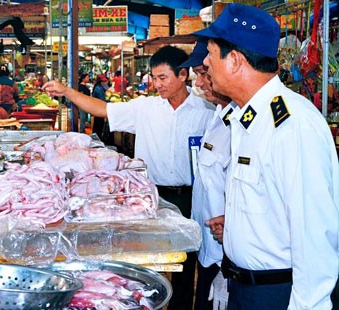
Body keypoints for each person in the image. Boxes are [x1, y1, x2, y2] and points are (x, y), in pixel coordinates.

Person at [43, 45, 215, 310]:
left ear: (183, 75)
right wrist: (67, 92)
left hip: (193, 196)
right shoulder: (145, 108)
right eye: (154, 78)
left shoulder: (207, 109)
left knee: (188, 260)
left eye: (162, 78)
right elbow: (102, 109)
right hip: (151, 196)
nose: (157, 84)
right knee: (149, 258)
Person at [195, 4, 339, 309]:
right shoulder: (246, 118)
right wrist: (236, 224)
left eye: (210, 53)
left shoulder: (291, 124)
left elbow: (314, 236)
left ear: (234, 60)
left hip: (278, 296)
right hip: (243, 289)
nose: (205, 63)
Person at [180, 37, 235, 310]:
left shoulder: (241, 125)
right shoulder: (217, 116)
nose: (200, 84)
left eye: (205, 74)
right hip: (209, 252)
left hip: (228, 258)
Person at [91, 74, 109, 140]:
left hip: (97, 109)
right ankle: (97, 139)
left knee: (97, 125)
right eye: (104, 81)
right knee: (99, 125)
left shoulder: (99, 87)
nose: (105, 83)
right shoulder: (99, 89)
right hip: (99, 109)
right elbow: (102, 100)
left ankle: (96, 138)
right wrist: (109, 101)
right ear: (100, 82)